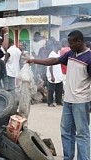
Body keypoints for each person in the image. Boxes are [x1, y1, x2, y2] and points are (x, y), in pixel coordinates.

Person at [26, 30, 91, 160]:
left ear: (80, 41)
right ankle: (68, 157)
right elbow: (54, 60)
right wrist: (35, 60)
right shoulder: (71, 53)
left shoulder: (89, 57)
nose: (69, 45)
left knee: (82, 134)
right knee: (66, 132)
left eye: (71, 43)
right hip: (68, 101)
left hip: (81, 101)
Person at [46, 41, 63, 107]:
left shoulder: (58, 53)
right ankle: (49, 102)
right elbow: (50, 66)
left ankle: (58, 101)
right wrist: (52, 76)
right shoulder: (52, 54)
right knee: (51, 90)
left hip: (58, 74)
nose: (61, 46)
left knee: (59, 89)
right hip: (53, 75)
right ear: (56, 46)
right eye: (60, 45)